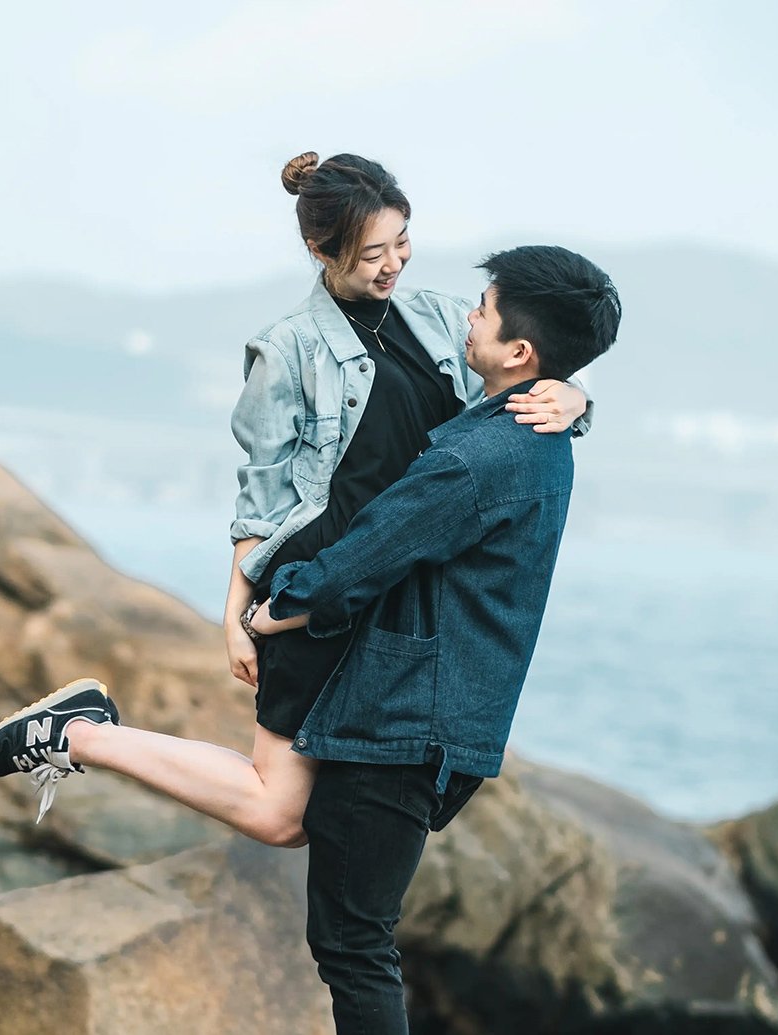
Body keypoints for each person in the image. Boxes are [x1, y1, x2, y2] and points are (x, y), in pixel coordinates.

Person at [0, 153, 590, 840]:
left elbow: (519, 378)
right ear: (319, 250)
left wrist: (574, 393)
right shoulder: (286, 349)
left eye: (402, 243)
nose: (392, 265)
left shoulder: (446, 320)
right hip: (315, 583)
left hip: (388, 591)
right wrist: (236, 613)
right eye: (369, 254)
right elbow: (262, 496)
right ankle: (80, 735)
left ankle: (80, 732)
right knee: (279, 812)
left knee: (297, 813)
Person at [247, 244, 622, 1034]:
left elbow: (375, 547)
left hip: (404, 722)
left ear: (520, 352)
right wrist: (578, 395)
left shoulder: (479, 453)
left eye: (482, 310)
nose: (468, 315)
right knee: (352, 930)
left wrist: (277, 604)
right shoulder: (531, 433)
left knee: (353, 940)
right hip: (442, 719)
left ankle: (78, 738)